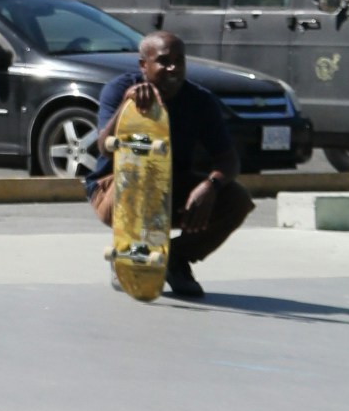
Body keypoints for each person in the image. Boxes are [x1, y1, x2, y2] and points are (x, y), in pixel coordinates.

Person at [87, 29, 252, 301]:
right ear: (144, 65)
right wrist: (127, 105)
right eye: (164, 61)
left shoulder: (200, 100)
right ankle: (128, 254)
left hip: (170, 186)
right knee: (143, 175)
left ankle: (175, 258)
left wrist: (209, 186)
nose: (174, 67)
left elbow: (229, 160)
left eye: (180, 60)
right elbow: (103, 145)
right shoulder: (118, 89)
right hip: (112, 188)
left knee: (236, 198)